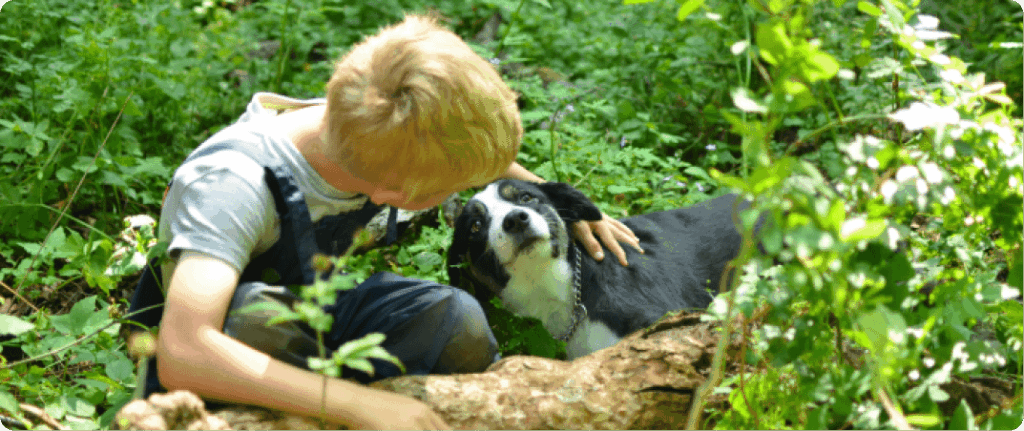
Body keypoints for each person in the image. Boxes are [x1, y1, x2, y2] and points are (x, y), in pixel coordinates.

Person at [127, 14, 641, 429]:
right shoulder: (233, 186)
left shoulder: (367, 126)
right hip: (217, 349)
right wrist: (355, 404)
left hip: (312, 316)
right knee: (254, 316)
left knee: (453, 319)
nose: (465, 190)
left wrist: (559, 205)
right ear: (396, 195)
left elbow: (456, 146)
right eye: (453, 189)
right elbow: (183, 348)